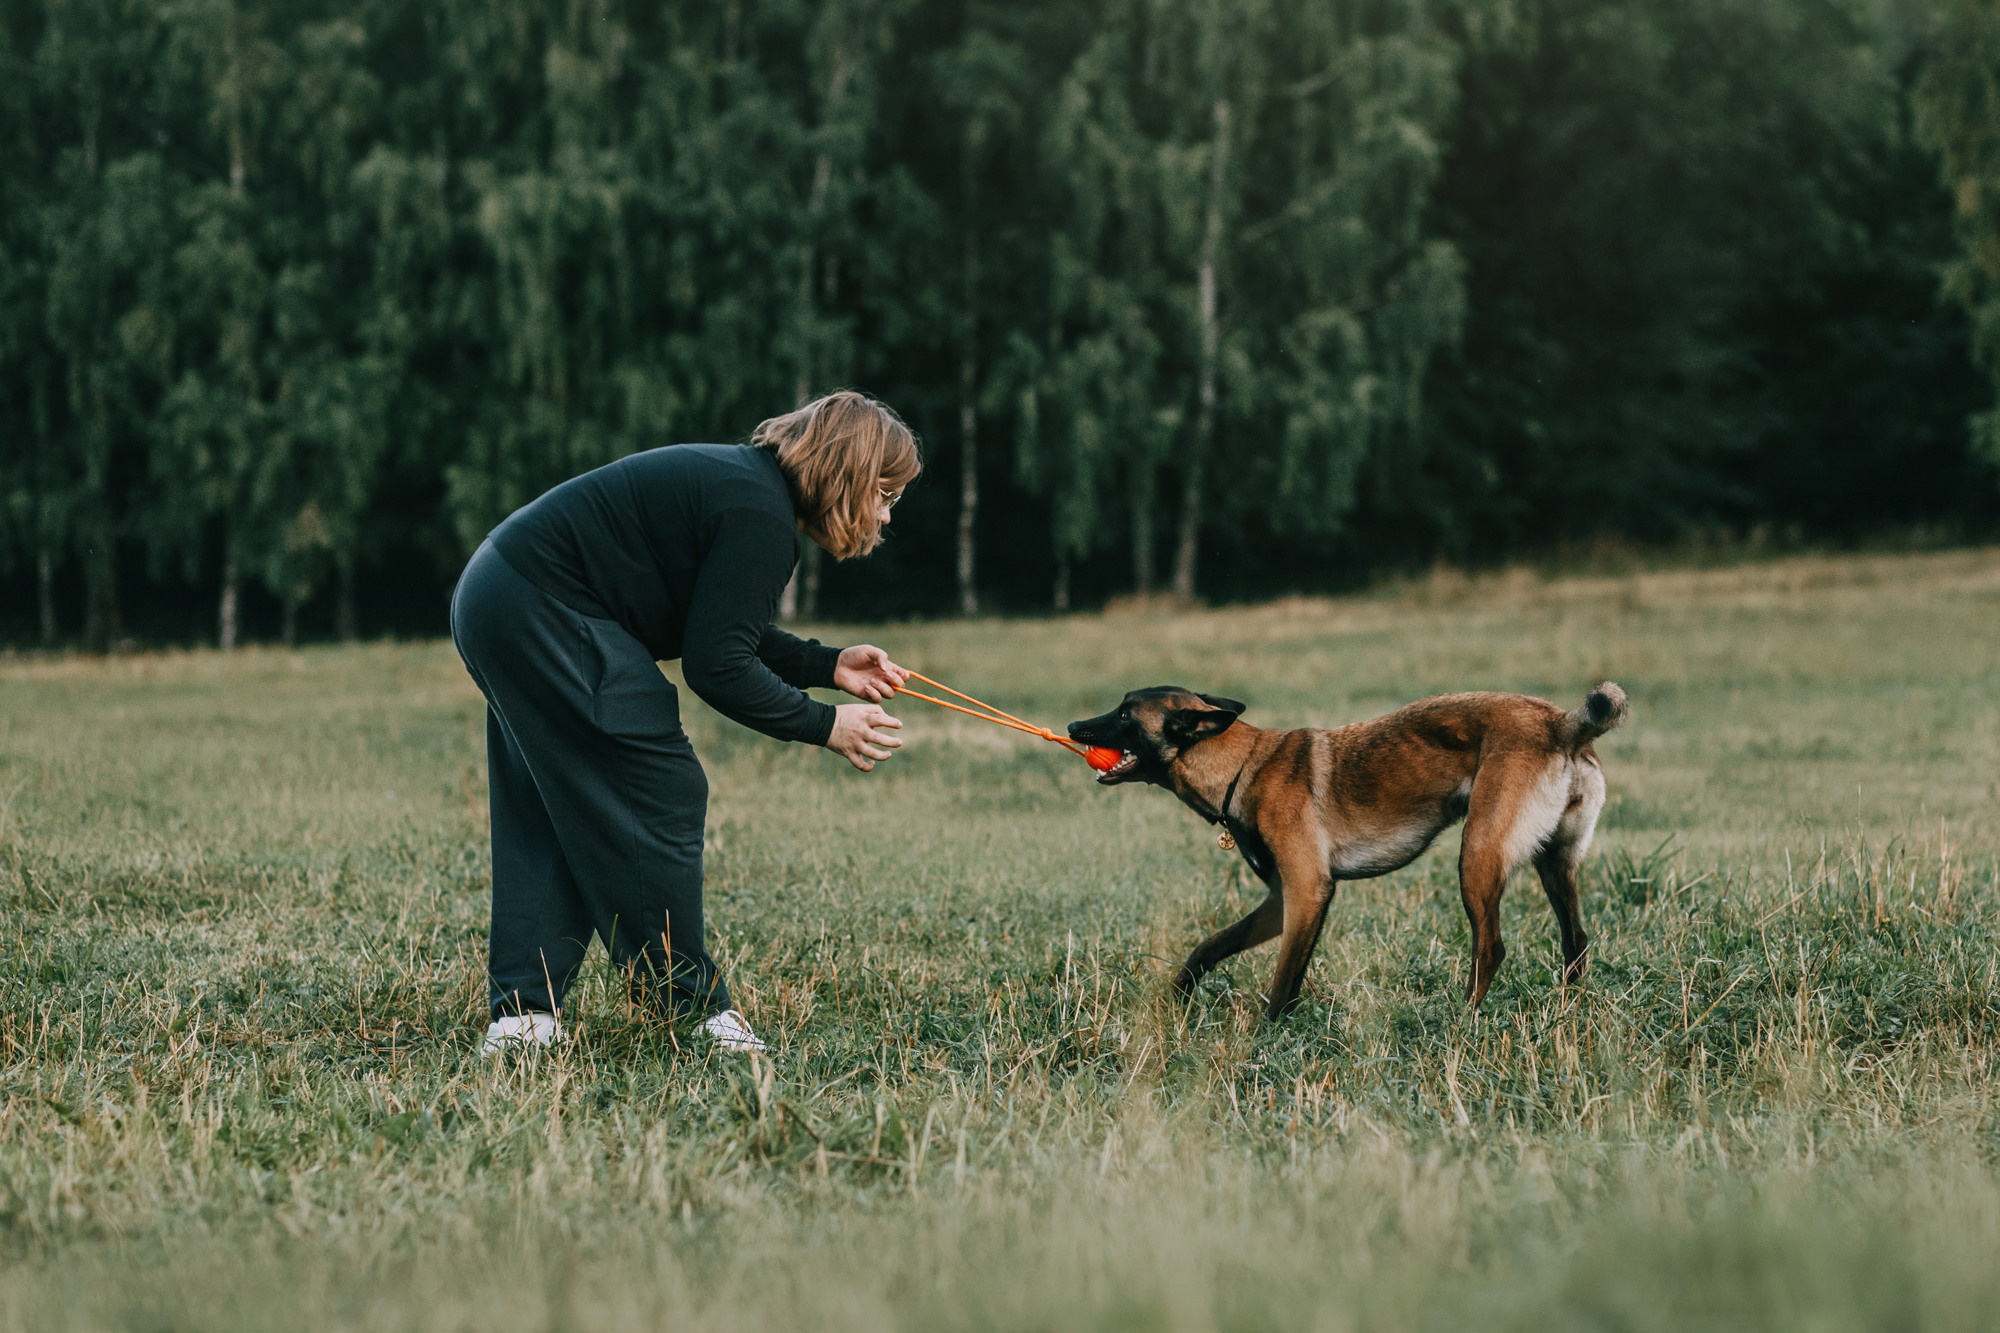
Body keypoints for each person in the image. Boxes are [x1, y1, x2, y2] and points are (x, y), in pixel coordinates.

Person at [450, 390, 919, 1054]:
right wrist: (824, 724)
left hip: (498, 592)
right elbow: (717, 665)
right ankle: (696, 1010)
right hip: (541, 605)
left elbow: (722, 627)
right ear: (847, 474)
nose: (884, 513)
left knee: (557, 802)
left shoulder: (746, 488)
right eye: (883, 492)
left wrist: (827, 663)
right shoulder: (759, 514)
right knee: (661, 783)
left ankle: (522, 1019)